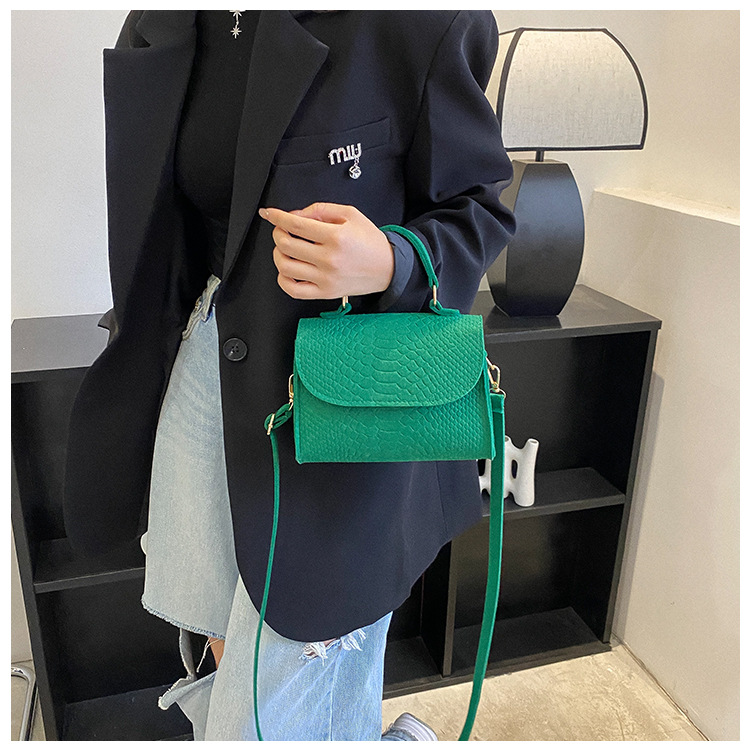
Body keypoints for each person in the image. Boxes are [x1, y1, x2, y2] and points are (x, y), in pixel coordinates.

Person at [63, 10, 515, 741]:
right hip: (201, 386)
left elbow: (479, 207)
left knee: (267, 714)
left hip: (339, 413)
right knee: (222, 666)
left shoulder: (416, 22)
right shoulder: (163, 22)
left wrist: (391, 259)